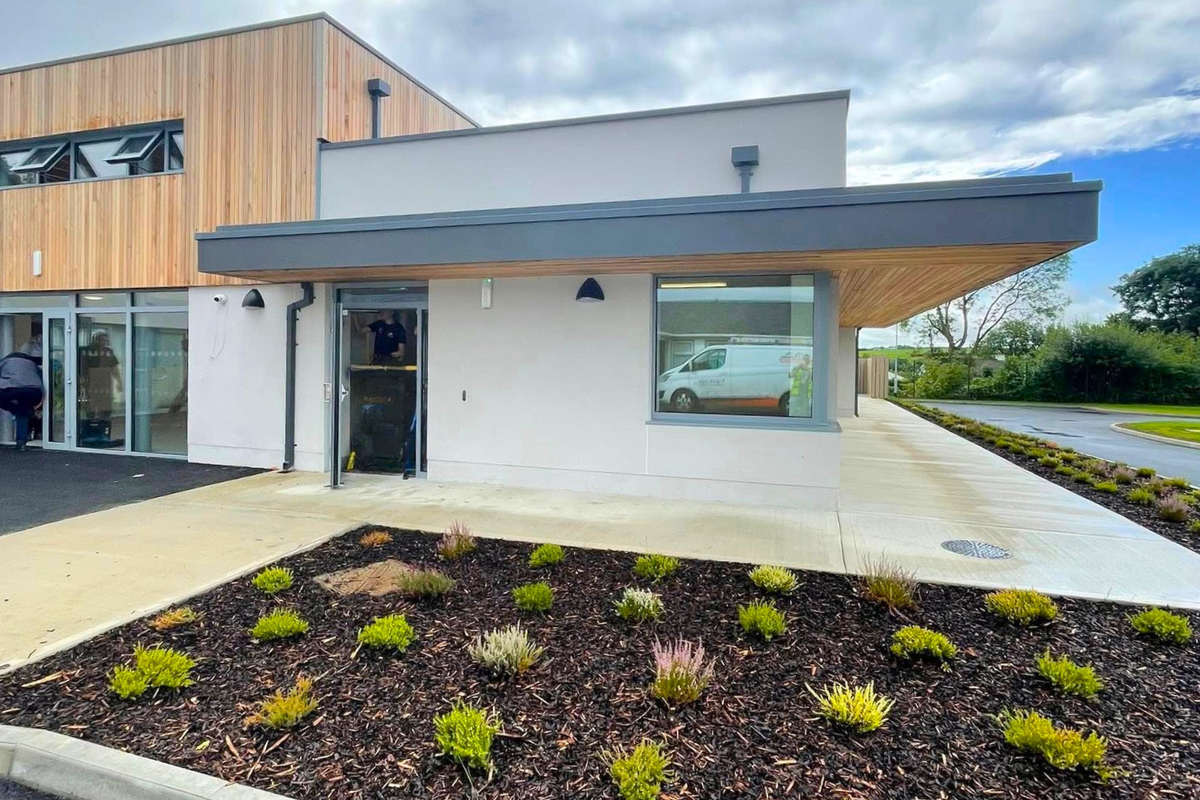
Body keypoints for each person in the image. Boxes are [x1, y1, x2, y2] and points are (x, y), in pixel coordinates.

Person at [0, 350, 44, 451]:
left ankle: (16, 409)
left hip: (11, 388)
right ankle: (21, 442)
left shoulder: (4, 362)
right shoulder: (32, 364)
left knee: (19, 410)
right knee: (22, 411)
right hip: (33, 391)